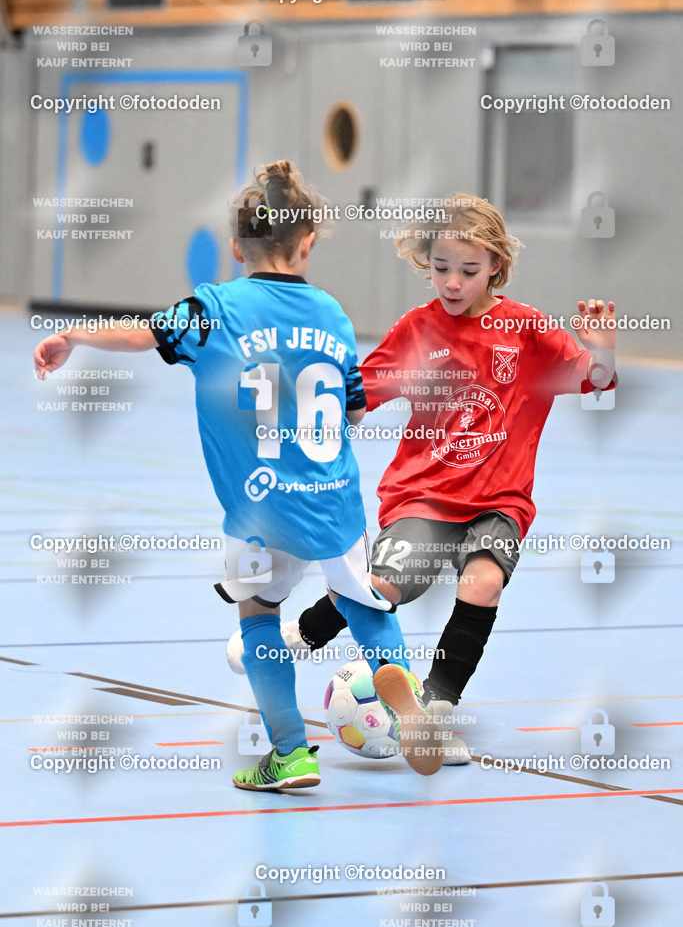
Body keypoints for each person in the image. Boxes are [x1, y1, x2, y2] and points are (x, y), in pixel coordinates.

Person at [33, 160, 444, 790]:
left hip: (258, 511)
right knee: (361, 599)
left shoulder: (214, 309)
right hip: (334, 503)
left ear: (235, 248)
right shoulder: (332, 314)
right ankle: (400, 684)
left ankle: (289, 753)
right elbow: (356, 405)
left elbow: (143, 336)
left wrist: (75, 336)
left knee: (258, 610)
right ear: (307, 244)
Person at [236, 192, 617, 762]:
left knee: (482, 582)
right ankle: (305, 633)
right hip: (424, 495)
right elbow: (356, 393)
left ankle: (432, 714)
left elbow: (598, 378)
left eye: (468, 270)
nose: (453, 282)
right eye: (441, 269)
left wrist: (603, 347)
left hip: (499, 500)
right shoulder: (419, 330)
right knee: (384, 586)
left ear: (495, 266)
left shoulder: (528, 331)